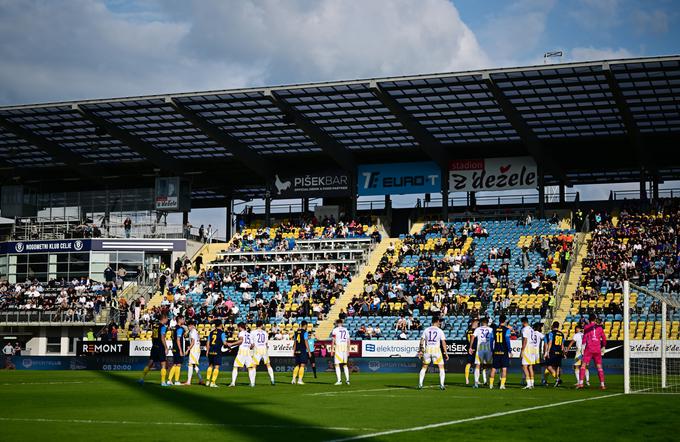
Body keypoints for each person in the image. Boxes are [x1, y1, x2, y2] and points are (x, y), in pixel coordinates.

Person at [417, 315, 448, 390]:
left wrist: (421, 350)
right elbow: (443, 342)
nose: (440, 323)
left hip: (428, 349)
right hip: (436, 349)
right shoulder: (440, 330)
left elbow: (422, 340)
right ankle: (442, 385)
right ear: (437, 322)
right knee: (441, 367)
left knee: (424, 367)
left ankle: (420, 384)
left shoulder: (426, 330)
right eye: (439, 322)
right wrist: (446, 353)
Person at [139, 314, 170, 386]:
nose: (167, 320)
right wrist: (166, 347)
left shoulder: (155, 326)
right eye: (167, 319)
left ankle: (141, 378)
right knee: (163, 364)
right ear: (164, 318)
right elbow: (162, 338)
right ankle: (163, 382)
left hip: (154, 347)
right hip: (160, 347)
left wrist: (153, 344)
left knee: (150, 363)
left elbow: (152, 336)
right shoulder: (163, 327)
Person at [578, 314, 607, 390]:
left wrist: (582, 347)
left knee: (583, 365)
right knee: (599, 367)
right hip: (597, 349)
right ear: (595, 319)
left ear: (589, 320)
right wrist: (603, 346)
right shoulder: (600, 328)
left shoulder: (587, 327)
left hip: (589, 348)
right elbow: (604, 338)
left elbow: (584, 338)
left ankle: (581, 383)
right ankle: (602, 385)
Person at [229, 322, 255, 387]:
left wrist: (231, 344)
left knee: (235, 367)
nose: (238, 328)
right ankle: (252, 383)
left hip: (242, 351)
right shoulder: (249, 334)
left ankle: (233, 383)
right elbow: (252, 345)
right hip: (248, 352)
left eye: (238, 327)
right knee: (250, 367)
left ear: (240, 327)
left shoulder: (241, 333)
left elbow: (241, 341)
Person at [469, 317, 493, 388]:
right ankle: (488, 382)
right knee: (488, 366)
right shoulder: (491, 329)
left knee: (478, 365)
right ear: (487, 322)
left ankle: (476, 383)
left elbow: (472, 337)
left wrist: (470, 347)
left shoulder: (478, 329)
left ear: (481, 322)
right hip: (488, 349)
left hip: (480, 349)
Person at [489, 315, 512, 389]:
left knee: (494, 368)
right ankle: (502, 385)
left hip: (496, 351)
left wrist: (491, 349)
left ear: (499, 320)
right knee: (504, 368)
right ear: (505, 321)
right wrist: (509, 350)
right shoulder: (507, 330)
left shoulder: (494, 329)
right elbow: (507, 340)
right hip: (504, 351)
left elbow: (491, 340)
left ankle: (491, 385)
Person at [251, 321, 275, 386]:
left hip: (257, 349)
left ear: (256, 325)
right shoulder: (265, 333)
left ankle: (252, 383)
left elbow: (252, 344)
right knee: (268, 365)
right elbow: (267, 343)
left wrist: (251, 347)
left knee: (254, 366)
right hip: (264, 349)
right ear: (261, 325)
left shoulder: (253, 332)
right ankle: (272, 380)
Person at [520, 316, 540, 389]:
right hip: (532, 349)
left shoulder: (524, 329)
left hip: (527, 349)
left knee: (524, 366)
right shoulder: (531, 329)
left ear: (523, 322)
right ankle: (532, 383)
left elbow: (525, 340)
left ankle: (528, 384)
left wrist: (522, 350)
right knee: (530, 366)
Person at [206, 320, 227, 388]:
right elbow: (224, 343)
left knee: (210, 365)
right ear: (221, 325)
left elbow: (208, 342)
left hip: (211, 351)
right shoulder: (222, 333)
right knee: (217, 366)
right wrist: (229, 346)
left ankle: (207, 381)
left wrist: (207, 351)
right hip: (217, 350)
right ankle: (212, 382)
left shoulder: (211, 332)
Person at [544, 321, 565, 387]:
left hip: (553, 351)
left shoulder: (551, 333)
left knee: (548, 366)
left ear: (553, 326)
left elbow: (550, 342)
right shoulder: (561, 334)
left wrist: (547, 351)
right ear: (558, 326)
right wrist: (563, 352)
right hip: (559, 352)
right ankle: (557, 380)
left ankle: (557, 378)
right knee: (557, 366)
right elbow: (562, 345)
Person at [291, 320, 312, 385]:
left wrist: (293, 351)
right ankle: (300, 380)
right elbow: (306, 342)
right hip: (302, 350)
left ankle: (293, 379)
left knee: (297, 365)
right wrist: (309, 351)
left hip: (297, 350)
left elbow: (294, 342)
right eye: (307, 326)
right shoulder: (305, 332)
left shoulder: (296, 332)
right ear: (305, 325)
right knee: (302, 365)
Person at [331, 319, 350, 385]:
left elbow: (333, 340)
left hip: (338, 347)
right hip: (345, 347)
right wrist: (348, 350)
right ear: (342, 323)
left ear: (337, 323)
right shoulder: (346, 330)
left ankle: (339, 381)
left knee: (337, 364)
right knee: (345, 364)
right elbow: (348, 340)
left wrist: (332, 350)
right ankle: (347, 380)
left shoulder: (335, 330)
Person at [184, 320, 204, 385]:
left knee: (190, 364)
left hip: (194, 349)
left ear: (191, 325)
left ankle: (188, 381)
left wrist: (188, 349)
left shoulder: (193, 331)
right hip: (196, 349)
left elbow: (192, 342)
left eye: (188, 326)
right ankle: (201, 379)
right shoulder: (195, 331)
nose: (188, 328)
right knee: (194, 365)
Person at [168, 315, 186, 385]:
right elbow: (178, 340)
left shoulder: (174, 328)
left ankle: (170, 380)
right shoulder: (180, 329)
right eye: (183, 319)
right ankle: (176, 380)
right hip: (178, 348)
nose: (184, 321)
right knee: (178, 364)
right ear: (180, 320)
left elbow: (173, 338)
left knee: (175, 364)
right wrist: (181, 350)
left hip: (174, 348)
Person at [464, 319, 479, 385]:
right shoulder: (476, 331)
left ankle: (467, 379)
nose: (477, 324)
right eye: (476, 323)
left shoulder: (467, 331)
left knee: (469, 363)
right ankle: (476, 380)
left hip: (469, 349)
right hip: (475, 348)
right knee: (477, 364)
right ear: (473, 323)